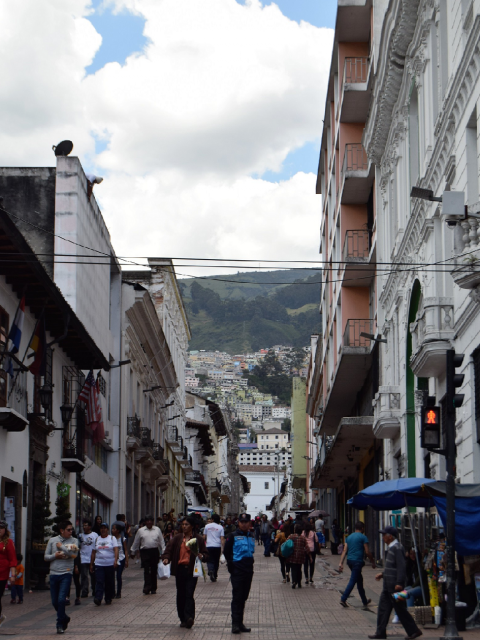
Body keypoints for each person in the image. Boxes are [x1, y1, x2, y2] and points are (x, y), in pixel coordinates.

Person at [368, 526, 422, 640]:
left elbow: (401, 566)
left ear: (390, 536)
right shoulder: (391, 548)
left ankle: (414, 631)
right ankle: (380, 632)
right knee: (383, 608)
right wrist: (382, 574)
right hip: (387, 586)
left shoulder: (397, 548)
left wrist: (399, 582)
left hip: (395, 586)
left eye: (384, 535)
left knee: (401, 609)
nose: (383, 537)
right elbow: (391, 566)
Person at [162, 516, 207, 629]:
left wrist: (202, 556)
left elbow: (206, 554)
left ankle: (189, 617)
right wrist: (166, 558)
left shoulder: (198, 539)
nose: (184, 526)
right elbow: (169, 550)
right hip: (180, 569)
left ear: (192, 526)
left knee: (189, 593)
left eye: (186, 524)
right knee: (181, 594)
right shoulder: (177, 538)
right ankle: (182, 618)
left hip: (192, 570)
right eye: (183, 524)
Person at [44, 520, 78, 634]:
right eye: (68, 530)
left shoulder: (74, 541)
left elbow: (74, 555)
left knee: (61, 599)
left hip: (66, 573)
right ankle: (64, 617)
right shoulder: (53, 541)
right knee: (54, 602)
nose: (71, 531)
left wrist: (62, 547)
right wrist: (55, 556)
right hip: (54, 574)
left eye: (71, 529)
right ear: (62, 530)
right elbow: (46, 557)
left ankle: (59, 624)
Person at [224, 513, 255, 634]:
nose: (244, 524)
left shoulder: (251, 536)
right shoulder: (232, 536)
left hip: (248, 570)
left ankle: (240, 623)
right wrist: (231, 565)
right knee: (237, 597)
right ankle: (235, 624)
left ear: (249, 523)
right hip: (237, 570)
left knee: (244, 597)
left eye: (246, 522)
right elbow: (226, 551)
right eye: (241, 522)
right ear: (238, 523)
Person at [338, 521, 375, 609]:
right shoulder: (363, 537)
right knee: (353, 580)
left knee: (359, 580)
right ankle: (343, 599)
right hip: (357, 562)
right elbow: (367, 552)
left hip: (350, 561)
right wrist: (372, 561)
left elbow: (344, 550)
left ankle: (364, 600)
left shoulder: (349, 537)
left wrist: (340, 563)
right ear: (362, 528)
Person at [130, 514, 165, 595]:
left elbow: (161, 542)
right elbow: (136, 542)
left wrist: (164, 552)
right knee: (146, 570)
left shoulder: (157, 530)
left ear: (153, 522)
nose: (149, 522)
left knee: (153, 569)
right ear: (145, 522)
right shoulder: (141, 531)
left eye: (151, 520)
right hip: (145, 552)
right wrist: (132, 551)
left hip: (154, 551)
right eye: (147, 521)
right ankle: (147, 586)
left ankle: (153, 587)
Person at [90, 522, 119, 606]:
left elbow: (116, 549)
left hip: (109, 564)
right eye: (101, 528)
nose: (103, 530)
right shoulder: (97, 539)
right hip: (99, 564)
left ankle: (108, 597)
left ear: (107, 529)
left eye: (104, 528)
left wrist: (115, 560)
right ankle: (98, 598)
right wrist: (91, 564)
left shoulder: (112, 538)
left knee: (109, 581)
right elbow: (93, 552)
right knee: (99, 580)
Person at [0, 521, 16, 627]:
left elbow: (12, 559)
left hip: (2, 573)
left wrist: (13, 575)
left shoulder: (8, 542)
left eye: (1, 528)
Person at [78, 519, 98, 598]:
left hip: (92, 558)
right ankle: (84, 591)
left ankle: (94, 589)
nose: (84, 527)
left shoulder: (95, 535)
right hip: (83, 557)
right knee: (84, 575)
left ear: (89, 527)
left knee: (93, 575)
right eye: (83, 525)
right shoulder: (80, 536)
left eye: (86, 525)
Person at [288, 524, 311, 589]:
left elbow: (287, 543)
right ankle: (299, 582)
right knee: (299, 569)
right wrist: (310, 556)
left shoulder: (291, 536)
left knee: (293, 569)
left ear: (295, 530)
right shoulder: (303, 538)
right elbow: (307, 548)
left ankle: (294, 581)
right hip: (301, 556)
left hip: (293, 555)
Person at [204, 514, 225, 582]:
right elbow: (222, 539)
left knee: (209, 560)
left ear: (212, 519)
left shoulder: (207, 526)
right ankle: (215, 574)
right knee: (216, 561)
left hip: (209, 545)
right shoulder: (220, 527)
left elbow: (204, 537)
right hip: (217, 546)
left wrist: (202, 545)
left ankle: (210, 570)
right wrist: (223, 548)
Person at [112, 523, 128, 598]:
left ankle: (119, 592)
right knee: (111, 576)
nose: (112, 530)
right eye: (112, 529)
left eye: (114, 529)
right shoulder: (111, 539)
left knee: (118, 576)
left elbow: (125, 550)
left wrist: (126, 560)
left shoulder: (122, 539)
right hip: (112, 559)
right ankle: (112, 591)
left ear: (118, 530)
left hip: (121, 558)